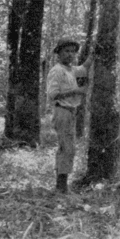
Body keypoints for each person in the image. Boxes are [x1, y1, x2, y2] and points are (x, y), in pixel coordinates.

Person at [46, 38, 92, 194]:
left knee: (68, 147)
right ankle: (61, 187)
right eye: (66, 51)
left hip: (71, 112)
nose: (70, 54)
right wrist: (75, 92)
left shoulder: (72, 70)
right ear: (58, 53)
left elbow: (84, 67)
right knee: (67, 148)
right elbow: (52, 95)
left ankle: (62, 185)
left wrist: (94, 53)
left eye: (73, 51)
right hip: (62, 111)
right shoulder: (57, 71)